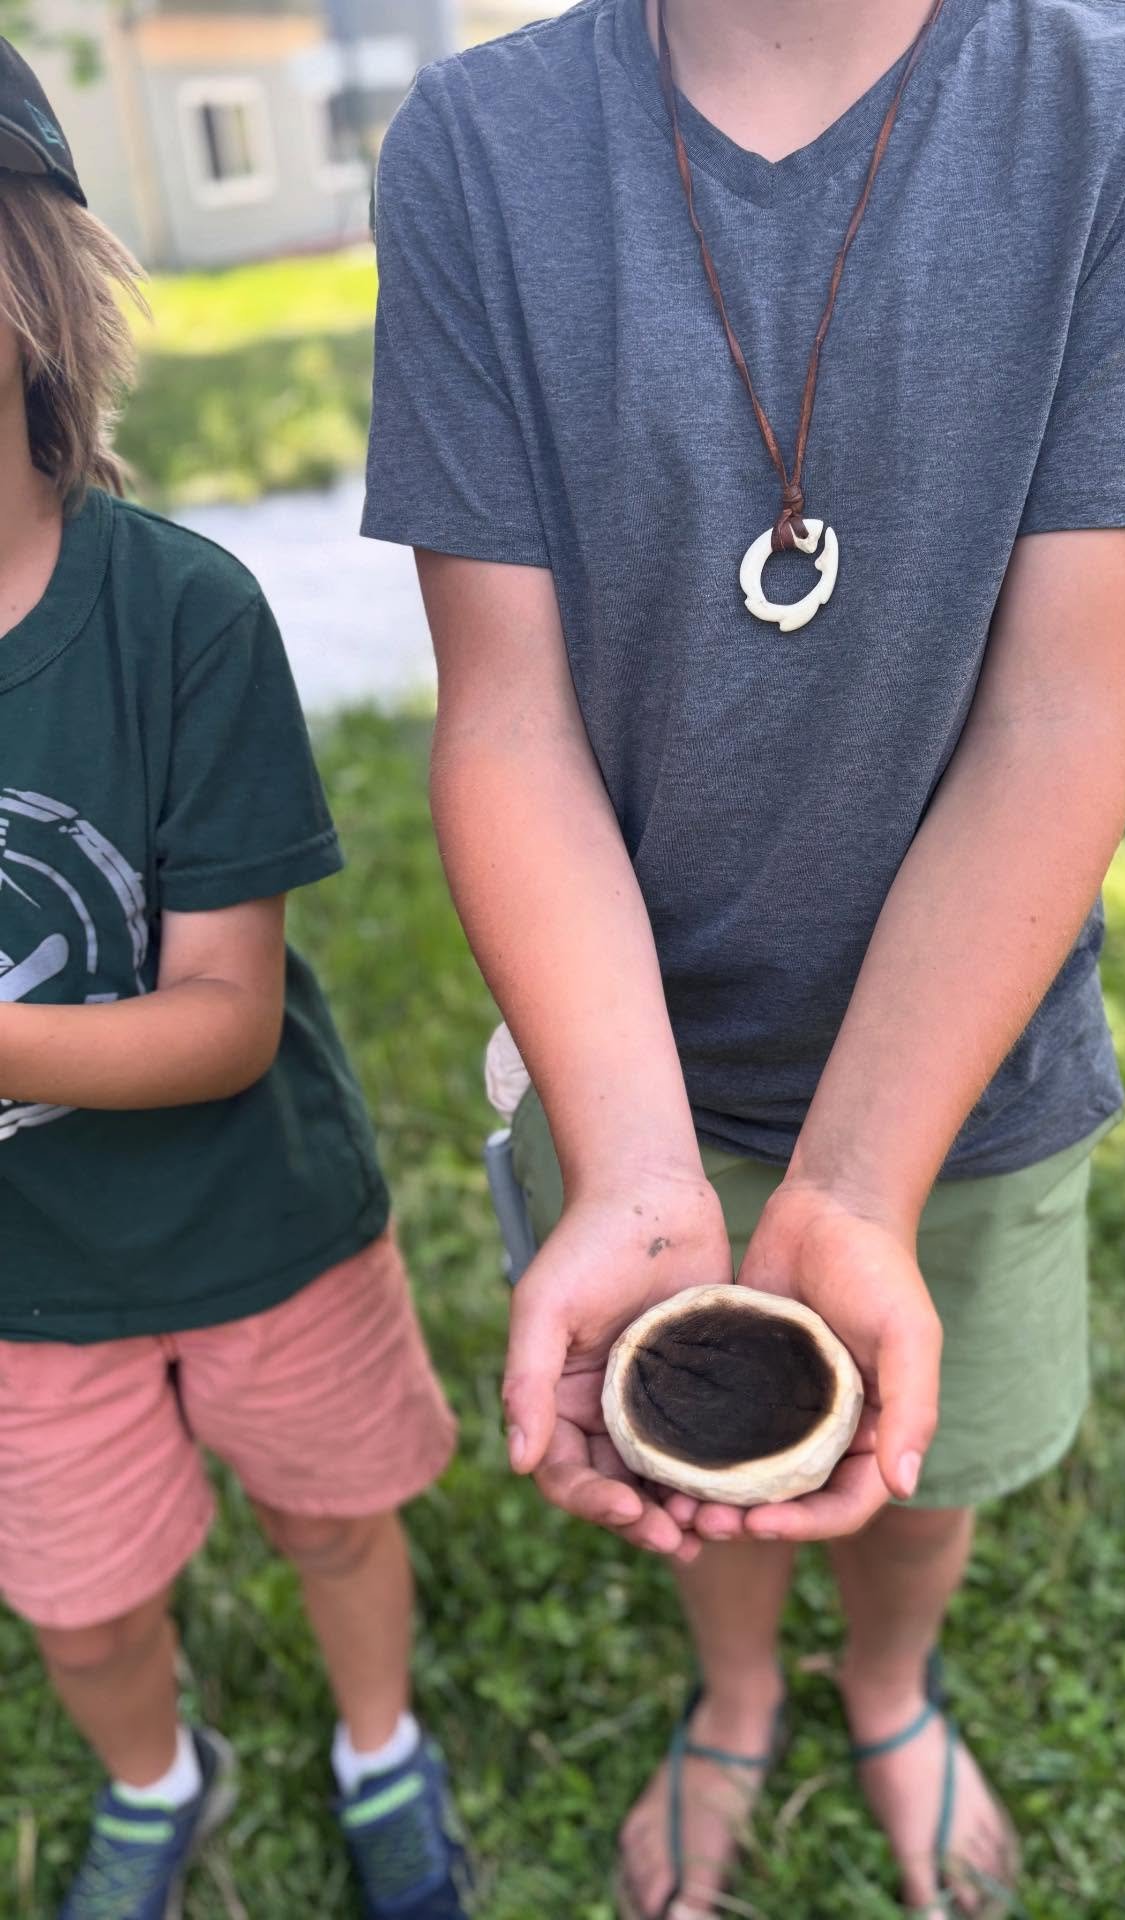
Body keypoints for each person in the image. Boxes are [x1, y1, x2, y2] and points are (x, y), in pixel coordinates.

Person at [363, 0, 1125, 1912]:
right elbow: (506, 716)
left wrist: (857, 1185)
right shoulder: (472, 145)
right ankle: (738, 1690)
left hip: (970, 1067)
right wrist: (630, 1161)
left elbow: (1058, 715)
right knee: (705, 1451)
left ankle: (884, 1682)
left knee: (911, 1460)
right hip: (623, 1058)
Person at [0, 41, 473, 1920]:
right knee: (86, 1605)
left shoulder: (178, 612)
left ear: (32, 288)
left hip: (262, 1223)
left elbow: (224, 1023)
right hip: (29, 1288)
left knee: (337, 1521)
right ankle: (155, 1778)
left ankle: (380, 1747)